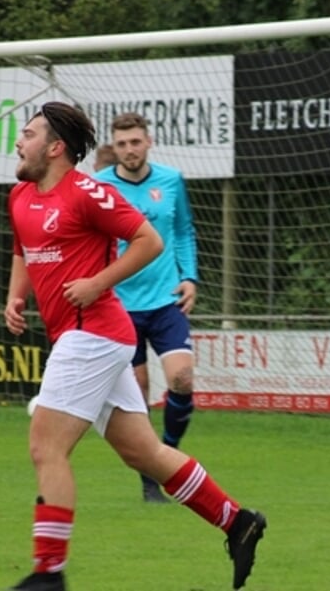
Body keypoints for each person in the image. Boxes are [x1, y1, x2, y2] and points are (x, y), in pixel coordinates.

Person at [3, 101, 265, 591]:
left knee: (46, 447)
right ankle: (238, 522)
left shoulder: (86, 193)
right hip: (82, 338)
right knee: (144, 453)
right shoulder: (20, 196)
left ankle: (48, 573)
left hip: (94, 335)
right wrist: (16, 296)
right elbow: (23, 247)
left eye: (30, 133)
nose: (20, 141)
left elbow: (148, 241)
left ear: (56, 148)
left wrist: (98, 282)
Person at [93, 112, 200, 504]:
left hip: (166, 299)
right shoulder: (99, 186)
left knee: (182, 381)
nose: (129, 150)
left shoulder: (170, 181)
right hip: (119, 306)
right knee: (137, 392)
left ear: (148, 142)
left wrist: (190, 276)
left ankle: (166, 452)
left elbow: (185, 230)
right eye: (122, 144)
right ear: (114, 147)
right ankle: (150, 476)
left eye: (135, 142)